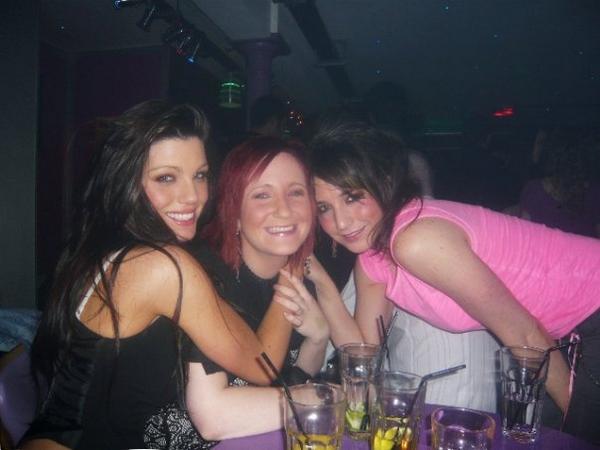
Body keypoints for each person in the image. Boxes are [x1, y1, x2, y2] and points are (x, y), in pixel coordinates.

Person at [20, 100, 298, 450]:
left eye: (200, 175)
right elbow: (263, 365)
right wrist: (290, 268)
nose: (192, 196)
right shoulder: (161, 267)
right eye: (166, 177)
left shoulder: (104, 249)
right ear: (128, 181)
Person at [304, 119, 600, 444]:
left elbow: (524, 332)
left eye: (351, 197)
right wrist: (323, 286)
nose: (340, 222)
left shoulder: (415, 238)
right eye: (324, 208)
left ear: (384, 182)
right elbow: (363, 357)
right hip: (564, 339)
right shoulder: (372, 259)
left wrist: (582, 426)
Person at [187, 136, 329, 385]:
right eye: (262, 195)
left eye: (296, 192)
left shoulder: (304, 279)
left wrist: (318, 339)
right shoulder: (205, 278)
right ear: (234, 214)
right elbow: (212, 405)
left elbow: (291, 383)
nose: (284, 210)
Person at [518, 127, 600, 238]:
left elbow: (524, 236)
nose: (536, 150)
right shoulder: (595, 192)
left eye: (540, 144)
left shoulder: (535, 190)